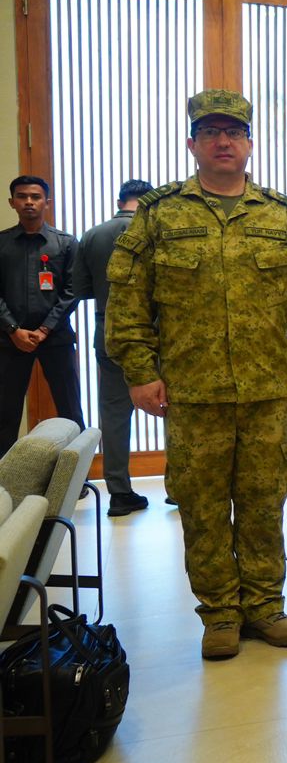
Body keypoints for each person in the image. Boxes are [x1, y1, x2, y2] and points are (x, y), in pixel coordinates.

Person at [106, 90, 287, 660]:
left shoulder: (279, 215)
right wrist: (139, 371)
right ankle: (220, 613)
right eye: (210, 132)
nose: (223, 141)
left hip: (265, 391)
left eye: (233, 132)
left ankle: (265, 607)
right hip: (191, 393)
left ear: (249, 143)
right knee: (202, 507)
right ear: (192, 143)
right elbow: (128, 300)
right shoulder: (159, 214)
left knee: (263, 501)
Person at [71, 179, 154, 516]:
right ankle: (179, 488)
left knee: (114, 413)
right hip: (157, 331)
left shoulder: (93, 234)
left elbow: (81, 288)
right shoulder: (157, 232)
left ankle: (119, 492)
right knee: (175, 408)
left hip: (110, 329)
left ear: (120, 200)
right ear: (148, 201)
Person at [0, 175, 83, 455]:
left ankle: (76, 479)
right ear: (12, 203)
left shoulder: (66, 243)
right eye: (22, 197)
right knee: (5, 411)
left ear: (46, 202)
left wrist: (45, 329)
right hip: (10, 340)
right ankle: (4, 484)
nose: (29, 202)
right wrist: (13, 329)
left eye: (35, 197)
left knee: (70, 409)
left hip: (56, 337)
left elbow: (73, 290)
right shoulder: (2, 243)